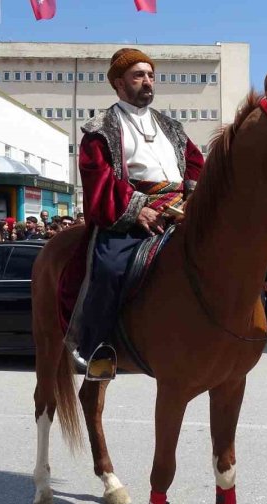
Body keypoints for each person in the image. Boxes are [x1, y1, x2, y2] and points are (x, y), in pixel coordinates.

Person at [62, 47, 204, 381]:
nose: (147, 82)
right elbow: (99, 178)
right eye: (138, 75)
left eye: (151, 75)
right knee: (110, 267)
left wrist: (191, 198)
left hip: (179, 209)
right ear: (118, 83)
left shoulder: (171, 126)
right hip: (131, 212)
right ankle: (94, 348)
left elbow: (196, 162)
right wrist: (137, 209)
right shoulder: (101, 128)